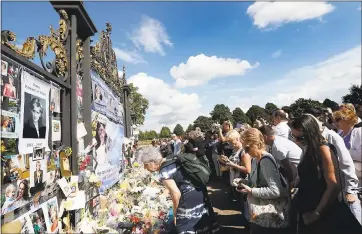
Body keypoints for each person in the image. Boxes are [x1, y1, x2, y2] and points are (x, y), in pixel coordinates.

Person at [291, 114, 361, 234]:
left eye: (300, 138)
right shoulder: (309, 148)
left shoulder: (323, 148)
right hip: (310, 207)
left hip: (324, 212)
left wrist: (316, 214)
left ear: (310, 133)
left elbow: (333, 185)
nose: (296, 141)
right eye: (294, 137)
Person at [138, 147, 219, 233]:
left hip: (189, 198)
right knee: (202, 222)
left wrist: (175, 214)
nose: (144, 167)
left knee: (184, 227)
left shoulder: (164, 171)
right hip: (200, 192)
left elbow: (176, 194)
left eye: (145, 164)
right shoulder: (171, 159)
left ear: (152, 162)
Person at [238, 128, 289, 234]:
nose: (246, 152)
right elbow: (258, 182)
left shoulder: (266, 161)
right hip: (261, 216)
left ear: (255, 143)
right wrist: (246, 183)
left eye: (247, 148)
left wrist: (251, 191)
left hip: (271, 217)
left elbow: (276, 191)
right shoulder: (255, 159)